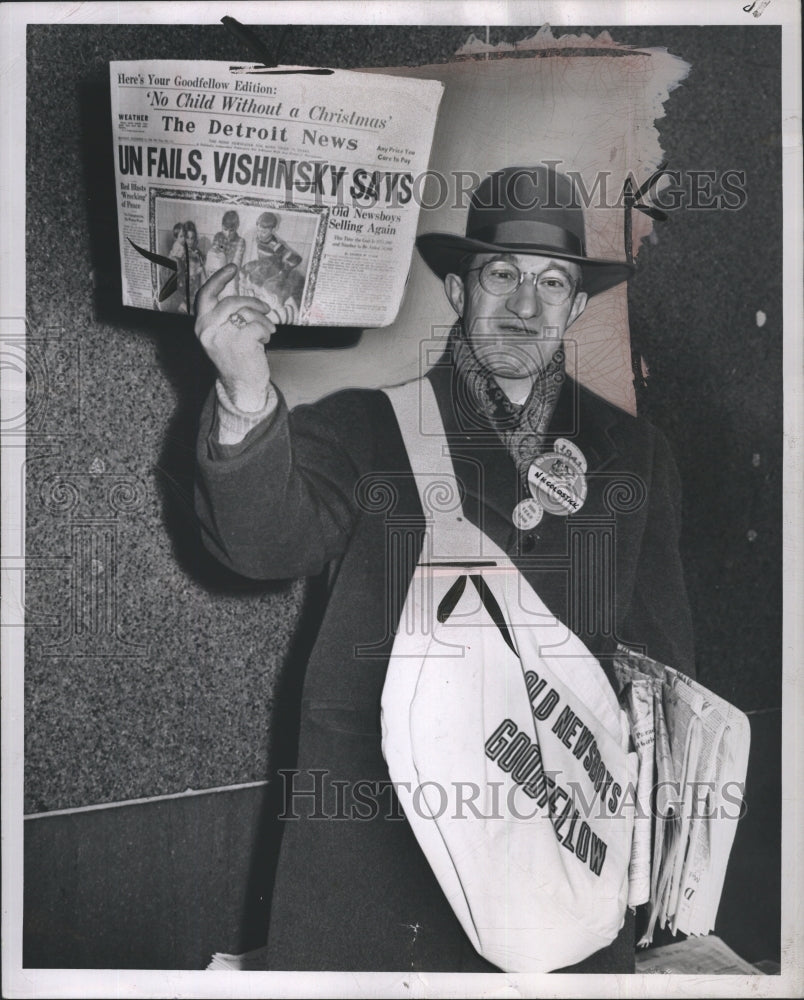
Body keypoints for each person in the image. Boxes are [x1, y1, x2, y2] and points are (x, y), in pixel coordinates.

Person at [192, 165, 694, 972]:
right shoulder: (366, 426)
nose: (526, 305)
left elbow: (662, 667)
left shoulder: (634, 454)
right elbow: (261, 544)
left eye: (551, 281)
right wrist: (246, 392)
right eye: (501, 274)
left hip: (565, 862)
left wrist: (661, 846)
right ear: (460, 292)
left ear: (576, 305)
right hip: (387, 866)